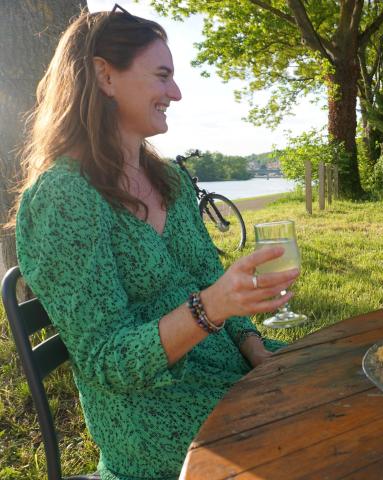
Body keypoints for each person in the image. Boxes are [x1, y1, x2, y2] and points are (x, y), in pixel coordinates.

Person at [10, 7, 299, 480]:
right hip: (148, 417)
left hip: (226, 373)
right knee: (311, 443)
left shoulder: (169, 181)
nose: (176, 93)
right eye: (162, 75)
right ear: (105, 76)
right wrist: (209, 308)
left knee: (340, 380)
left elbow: (211, 276)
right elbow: (107, 362)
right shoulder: (63, 198)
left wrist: (253, 347)